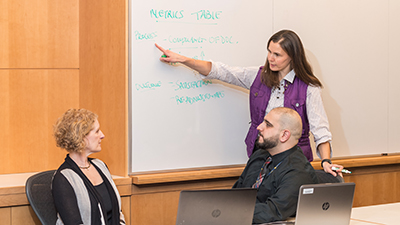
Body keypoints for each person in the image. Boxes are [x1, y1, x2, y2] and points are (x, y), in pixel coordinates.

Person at [155, 29, 343, 176]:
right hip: (260, 159)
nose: (271, 58)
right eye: (269, 51)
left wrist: (325, 161)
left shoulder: (309, 87)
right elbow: (221, 71)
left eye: (277, 54)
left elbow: (321, 130)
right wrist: (182, 59)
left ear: (292, 57)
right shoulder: (259, 76)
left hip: (294, 163)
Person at [233, 107, 318, 223]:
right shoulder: (259, 156)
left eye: (268, 124)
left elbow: (273, 211)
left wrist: (231, 211)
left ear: (284, 135)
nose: (259, 127)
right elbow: (236, 193)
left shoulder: (298, 171)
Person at [51, 109, 125, 225]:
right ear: (81, 137)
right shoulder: (63, 178)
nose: (102, 135)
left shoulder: (101, 166)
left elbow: (118, 213)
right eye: (97, 131)